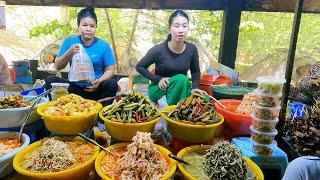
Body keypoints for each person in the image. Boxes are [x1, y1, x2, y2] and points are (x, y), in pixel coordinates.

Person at [45, 6, 117, 104]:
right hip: (74, 89)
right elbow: (57, 66)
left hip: (95, 89)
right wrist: (69, 53)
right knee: (51, 80)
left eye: (92, 26)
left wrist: (99, 81)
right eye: (84, 25)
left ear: (96, 27)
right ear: (78, 25)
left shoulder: (103, 45)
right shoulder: (69, 41)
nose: (88, 29)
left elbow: (110, 69)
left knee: (112, 83)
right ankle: (63, 111)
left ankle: (100, 115)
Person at [135, 9, 205, 106]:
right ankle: (175, 114)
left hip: (181, 87)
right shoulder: (158, 50)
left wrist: (195, 87)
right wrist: (158, 79)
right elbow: (139, 66)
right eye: (176, 26)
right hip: (159, 88)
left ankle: (181, 106)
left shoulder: (192, 49)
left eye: (184, 26)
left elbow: (195, 71)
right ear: (169, 28)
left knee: (204, 99)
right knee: (182, 79)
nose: (181, 30)